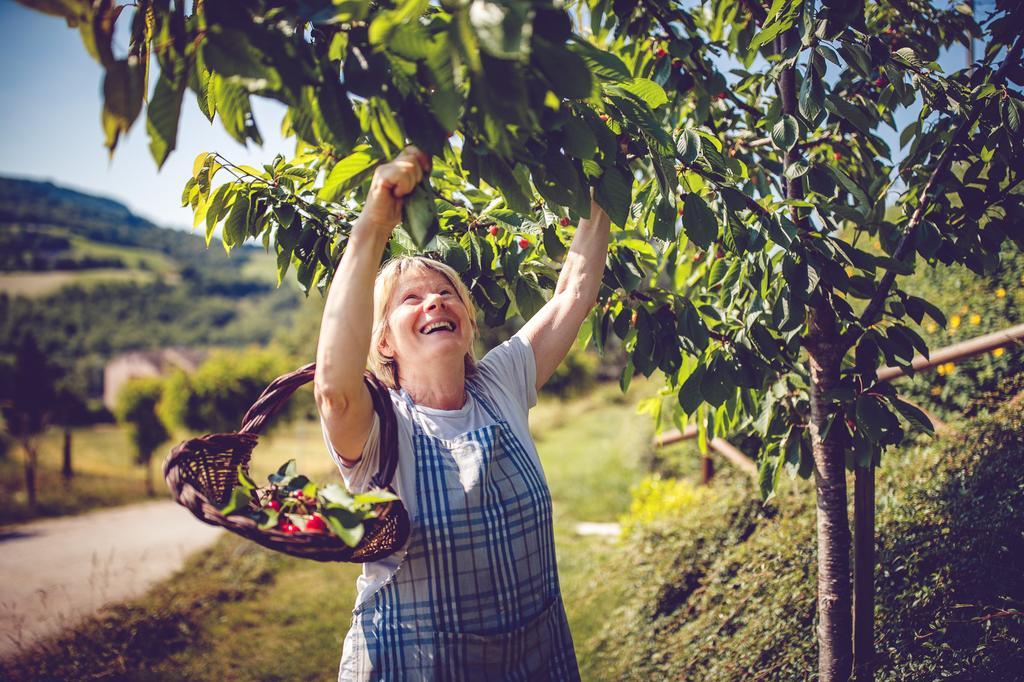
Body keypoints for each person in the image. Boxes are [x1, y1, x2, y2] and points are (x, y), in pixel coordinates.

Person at [314, 145, 611, 681]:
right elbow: (332, 390)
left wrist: (604, 178)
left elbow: (571, 293)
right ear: (382, 341)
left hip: (532, 661)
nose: (434, 302)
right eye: (410, 299)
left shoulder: (500, 383)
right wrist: (375, 223)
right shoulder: (381, 425)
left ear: (468, 323)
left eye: (446, 293)